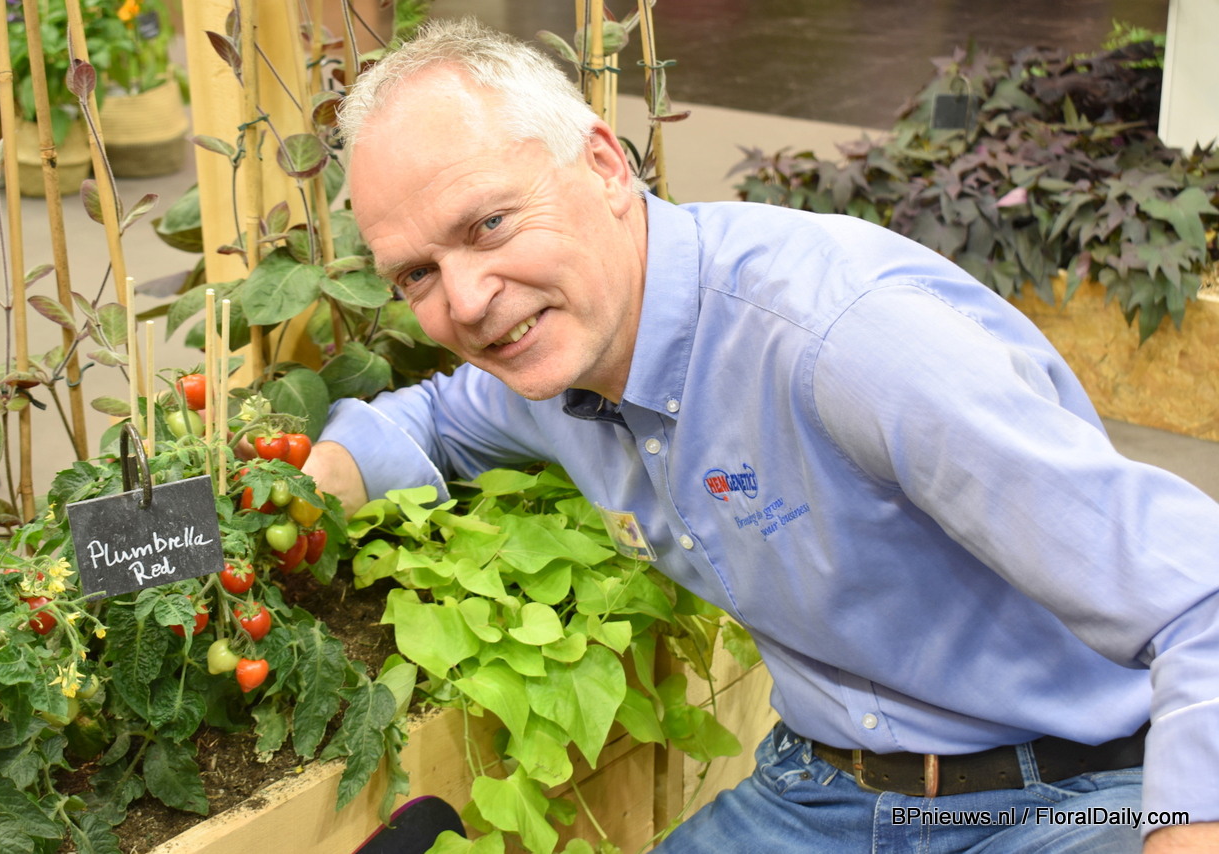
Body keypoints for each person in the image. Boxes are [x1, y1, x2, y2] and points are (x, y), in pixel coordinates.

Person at [307, 17, 1219, 853]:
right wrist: (310, 487)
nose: (467, 301)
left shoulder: (844, 342)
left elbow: (1200, 600)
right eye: (417, 274)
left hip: (1068, 796)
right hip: (821, 794)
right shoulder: (555, 355)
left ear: (606, 166)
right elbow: (438, 417)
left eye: (490, 224)